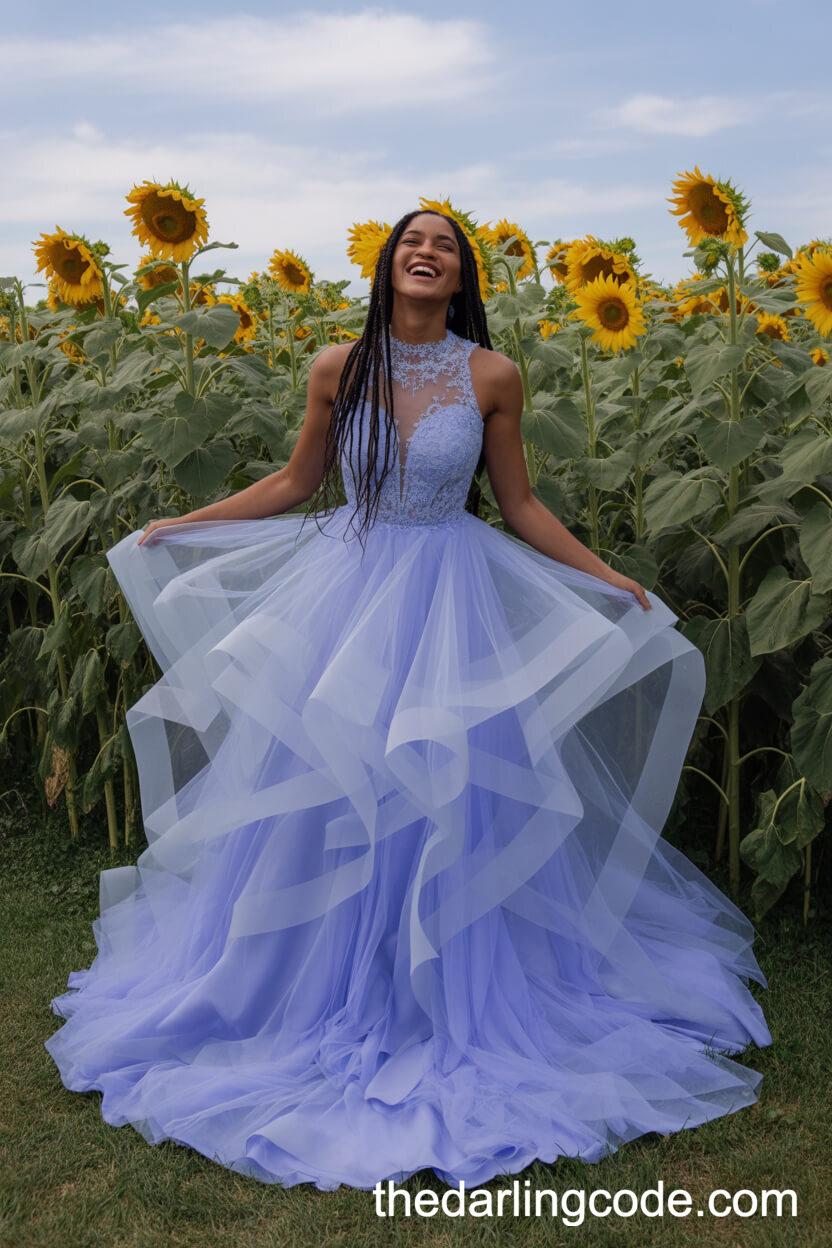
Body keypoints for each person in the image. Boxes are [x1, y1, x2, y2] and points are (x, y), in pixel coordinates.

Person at [45, 210, 772, 1192]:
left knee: (450, 796)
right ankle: (301, 992)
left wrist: (609, 580)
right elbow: (300, 482)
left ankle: (451, 998)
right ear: (388, 264)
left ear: (460, 273)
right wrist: (189, 520)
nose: (425, 253)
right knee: (328, 789)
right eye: (409, 242)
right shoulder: (335, 366)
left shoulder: (492, 376)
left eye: (445, 245)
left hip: (451, 604)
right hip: (343, 596)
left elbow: (516, 505)